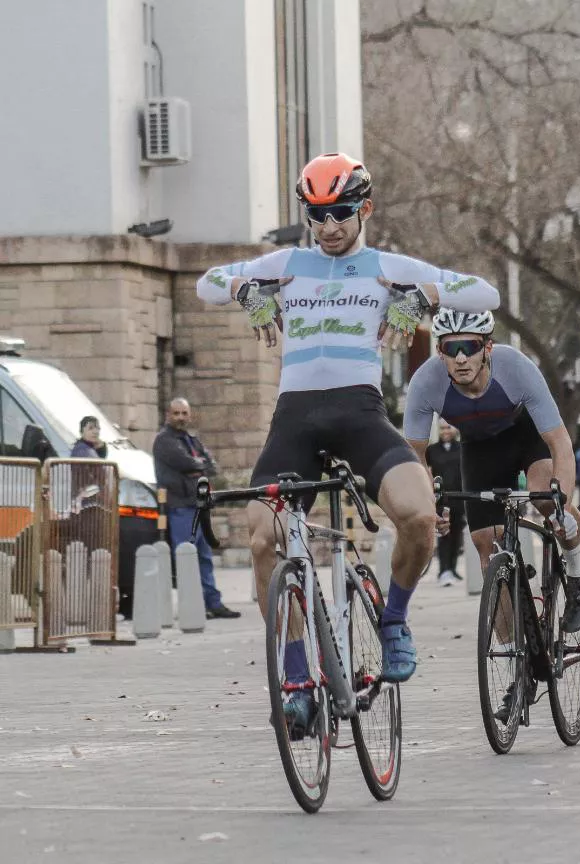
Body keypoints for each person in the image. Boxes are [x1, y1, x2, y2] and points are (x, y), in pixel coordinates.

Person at [196, 153, 500, 736]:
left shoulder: (389, 267)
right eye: (316, 214)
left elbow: (484, 293)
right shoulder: (288, 264)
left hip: (361, 414)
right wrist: (245, 288)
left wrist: (424, 296)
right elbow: (204, 282)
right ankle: (294, 680)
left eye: (339, 213)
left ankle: (393, 621)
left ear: (365, 209)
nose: (328, 226)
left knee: (418, 515)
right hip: (295, 420)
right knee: (262, 536)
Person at [405, 309, 580, 721]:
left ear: (487, 348)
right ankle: (514, 669)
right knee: (486, 546)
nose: (459, 358)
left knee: (545, 500)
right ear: (439, 352)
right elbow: (415, 458)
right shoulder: (426, 383)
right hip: (480, 450)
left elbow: (559, 442)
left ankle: (578, 573)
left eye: (468, 347)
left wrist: (562, 498)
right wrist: (428, 506)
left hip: (528, 439)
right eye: (449, 349)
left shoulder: (517, 369)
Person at [153, 398, 240, 621]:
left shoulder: (191, 440)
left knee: (204, 556)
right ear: (168, 415)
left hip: (198, 505)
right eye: (176, 413)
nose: (181, 417)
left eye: (184, 413)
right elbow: (186, 464)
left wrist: (197, 465)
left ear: (189, 415)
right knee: (186, 557)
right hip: (180, 506)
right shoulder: (164, 440)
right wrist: (197, 465)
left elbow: (211, 465)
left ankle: (213, 603)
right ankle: (193, 605)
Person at [425, 420, 465, 586]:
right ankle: (444, 570)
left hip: (459, 498)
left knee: (457, 534)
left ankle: (453, 569)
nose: (445, 431)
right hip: (441, 499)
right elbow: (427, 472)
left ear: (454, 429)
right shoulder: (432, 450)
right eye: (442, 428)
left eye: (448, 427)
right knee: (444, 534)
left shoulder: (462, 448)